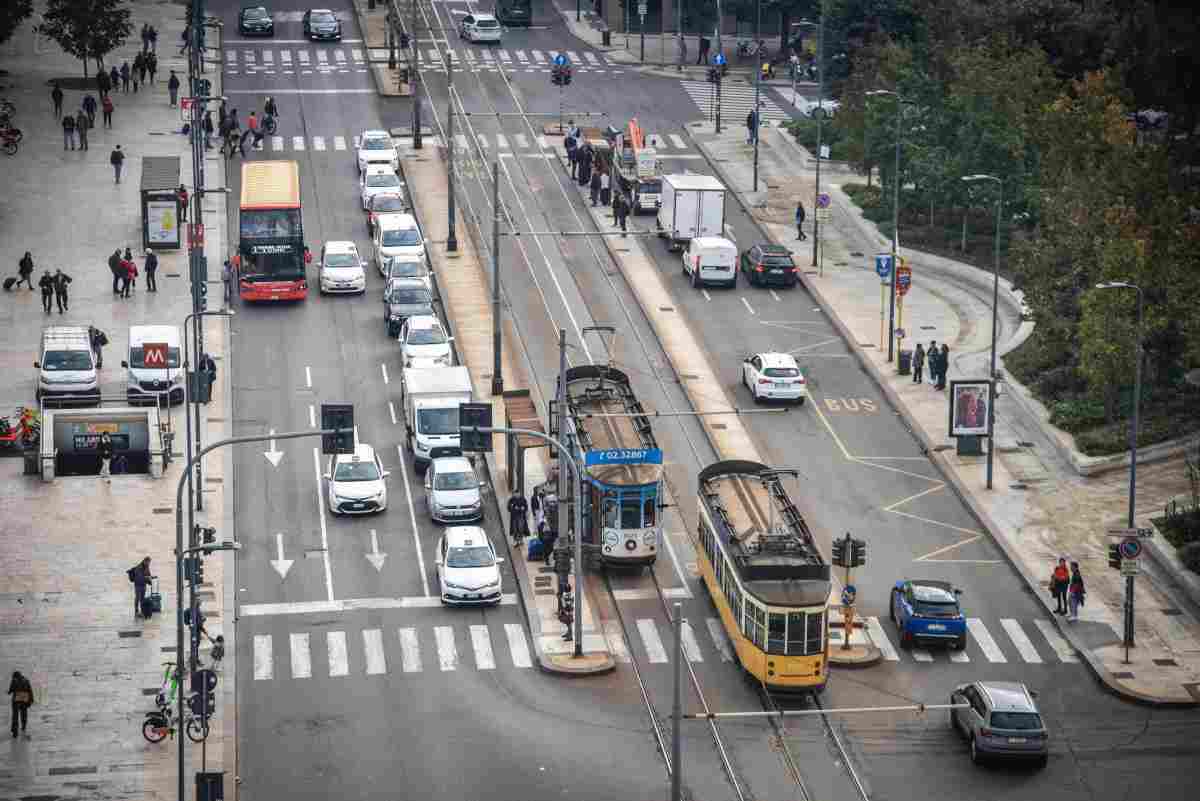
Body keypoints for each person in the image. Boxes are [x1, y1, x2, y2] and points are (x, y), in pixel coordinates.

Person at [8, 671, 33, 739]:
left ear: (15, 676)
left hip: (16, 699)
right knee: (24, 713)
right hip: (24, 698)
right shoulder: (26, 680)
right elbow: (30, 690)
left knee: (15, 715)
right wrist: (31, 700)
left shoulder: (14, 681)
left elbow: (11, 690)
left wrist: (9, 692)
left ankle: (15, 731)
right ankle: (23, 726)